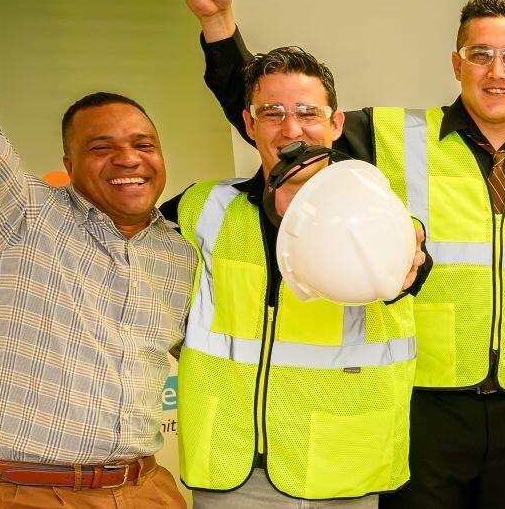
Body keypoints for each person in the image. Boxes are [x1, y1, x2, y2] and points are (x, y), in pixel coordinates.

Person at [179, 0, 505, 507]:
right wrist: (220, 27)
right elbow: (285, 129)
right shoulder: (392, 134)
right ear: (456, 64)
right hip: (426, 397)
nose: (497, 70)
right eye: (480, 55)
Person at [0, 0, 193, 508]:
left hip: (146, 489)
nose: (128, 158)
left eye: (144, 144)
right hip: (28, 495)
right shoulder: (19, 215)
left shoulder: (179, 252)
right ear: (66, 165)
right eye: (102, 147)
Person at [161, 46, 428, 507]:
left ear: (336, 124)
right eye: (272, 113)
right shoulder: (202, 207)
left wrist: (406, 244)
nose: (291, 129)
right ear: (248, 124)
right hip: (232, 468)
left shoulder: (380, 215)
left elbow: (407, 271)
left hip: (340, 465)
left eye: (308, 112)